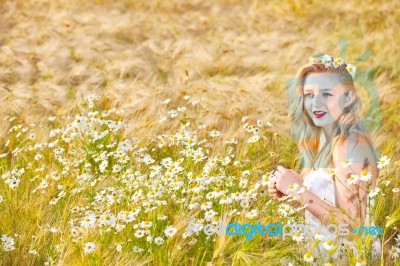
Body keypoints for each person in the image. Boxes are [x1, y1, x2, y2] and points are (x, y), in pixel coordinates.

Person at [267, 54, 380, 260]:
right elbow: (328, 208)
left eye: (327, 94)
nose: (316, 103)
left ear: (348, 98)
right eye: (309, 94)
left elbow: (354, 228)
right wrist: (290, 193)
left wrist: (301, 192)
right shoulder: (325, 141)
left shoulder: (349, 143)